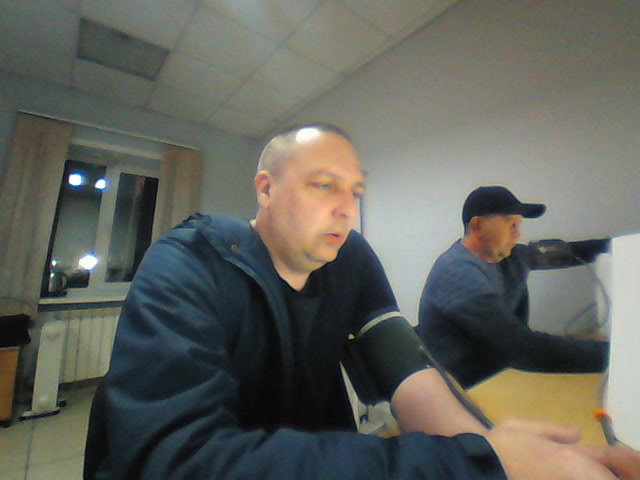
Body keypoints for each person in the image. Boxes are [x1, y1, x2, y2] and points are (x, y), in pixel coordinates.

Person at [84, 125, 640, 480]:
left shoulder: (351, 258)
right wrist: (470, 466)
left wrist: (498, 455)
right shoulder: (186, 264)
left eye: (354, 191)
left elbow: (407, 372)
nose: (346, 208)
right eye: (323, 185)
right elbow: (175, 462)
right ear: (266, 188)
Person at [416, 185, 610, 389]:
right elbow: (522, 348)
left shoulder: (508, 257)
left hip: (500, 376)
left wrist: (616, 245)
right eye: (511, 224)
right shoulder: (458, 274)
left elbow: (566, 253)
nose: (517, 233)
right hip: (468, 389)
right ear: (478, 226)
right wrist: (613, 354)